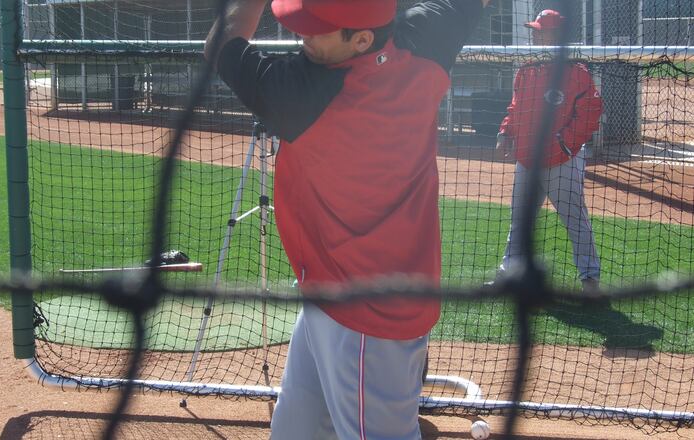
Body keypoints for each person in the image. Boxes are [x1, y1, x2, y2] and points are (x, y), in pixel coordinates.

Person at [205, 0, 489, 438]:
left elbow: (222, 42)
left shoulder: (300, 93)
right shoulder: (425, 39)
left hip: (365, 319)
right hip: (332, 291)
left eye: (317, 29)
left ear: (360, 39)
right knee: (296, 431)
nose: (301, 36)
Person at [495, 9, 604, 293]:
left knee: (574, 219)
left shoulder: (575, 71)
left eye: (539, 31)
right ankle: (509, 273)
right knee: (519, 220)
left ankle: (589, 278)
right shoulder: (527, 68)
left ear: (555, 35)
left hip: (561, 162)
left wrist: (564, 143)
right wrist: (506, 131)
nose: (534, 34)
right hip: (527, 159)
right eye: (534, 30)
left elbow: (591, 113)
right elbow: (515, 107)